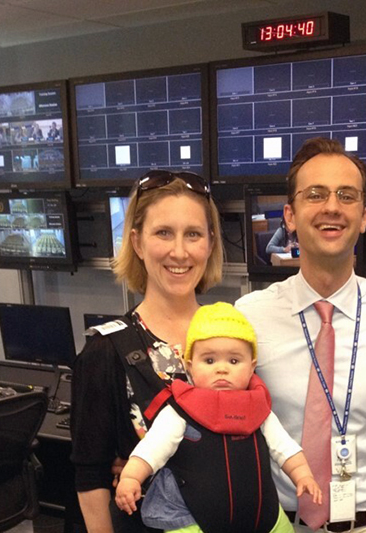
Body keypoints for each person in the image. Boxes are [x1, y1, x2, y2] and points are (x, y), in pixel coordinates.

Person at [236, 138, 366, 533]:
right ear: (290, 214)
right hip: (278, 524)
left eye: (346, 196)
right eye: (315, 194)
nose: (331, 207)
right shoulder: (249, 317)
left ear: (364, 216)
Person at [70, 170, 224, 533]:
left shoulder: (231, 336)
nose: (180, 251)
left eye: (193, 234)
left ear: (211, 243)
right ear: (137, 243)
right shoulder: (104, 351)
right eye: (163, 233)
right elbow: (91, 476)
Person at [115, 302, 322, 533]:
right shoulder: (179, 411)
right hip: (193, 520)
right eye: (209, 360)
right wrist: (131, 477)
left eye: (234, 361)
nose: (221, 369)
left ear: (252, 366)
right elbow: (152, 449)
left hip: (264, 517)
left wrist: (302, 475)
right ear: (190, 366)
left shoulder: (259, 410)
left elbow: (285, 448)